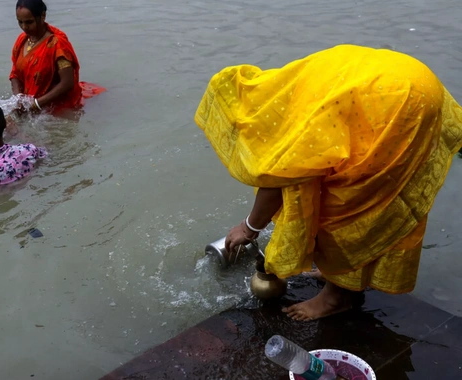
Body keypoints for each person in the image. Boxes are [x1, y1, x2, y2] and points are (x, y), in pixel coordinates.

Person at [194, 45, 462, 321]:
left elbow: (278, 181)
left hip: (400, 107)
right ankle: (338, 272)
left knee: (351, 211)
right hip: (408, 80)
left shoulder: (299, 123)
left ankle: (339, 296)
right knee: (352, 192)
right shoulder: (283, 90)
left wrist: (248, 228)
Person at [10, 0, 105, 114]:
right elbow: (15, 74)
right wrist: (18, 99)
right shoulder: (22, 40)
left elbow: (67, 83)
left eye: (29, 22)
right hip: (29, 104)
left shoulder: (57, 44)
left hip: (55, 107)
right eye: (20, 22)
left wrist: (36, 104)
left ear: (43, 16)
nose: (24, 27)